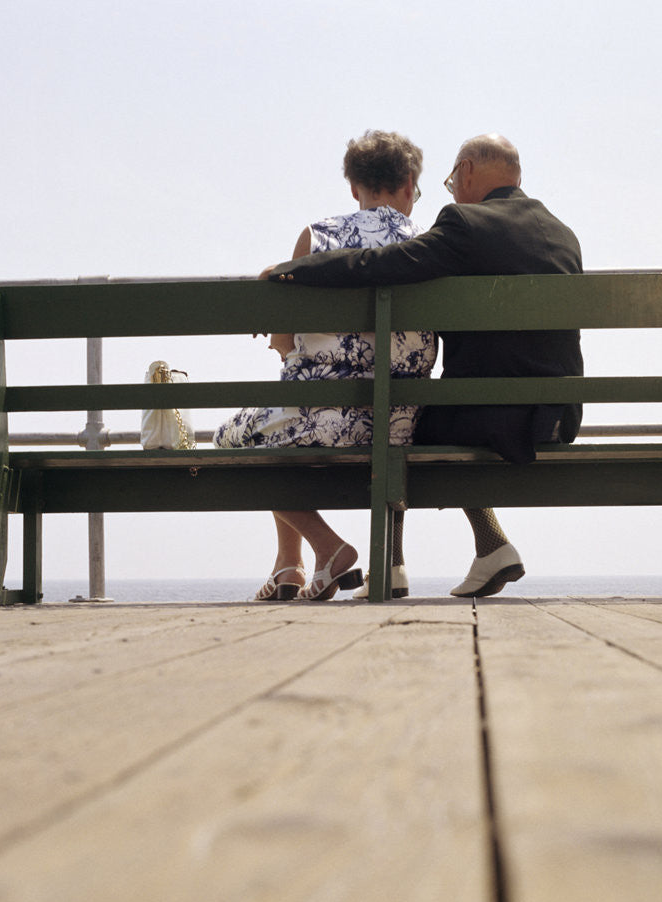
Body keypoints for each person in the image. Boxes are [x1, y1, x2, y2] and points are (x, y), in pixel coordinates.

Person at [265, 133, 584, 598]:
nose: (452, 191)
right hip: (559, 417)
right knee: (413, 413)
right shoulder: (562, 233)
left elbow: (384, 263)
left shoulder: (465, 224)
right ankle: (481, 548)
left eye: (454, 180)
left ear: (469, 171)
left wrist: (295, 271)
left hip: (490, 416)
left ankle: (395, 565)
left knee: (407, 423)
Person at [215, 130, 436, 601]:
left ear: (355, 187)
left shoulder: (319, 236)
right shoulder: (431, 246)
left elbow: (282, 346)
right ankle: (289, 566)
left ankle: (326, 546)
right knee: (275, 421)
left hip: (326, 422)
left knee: (228, 440)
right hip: (401, 424)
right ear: (409, 183)